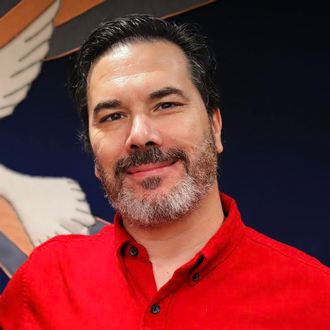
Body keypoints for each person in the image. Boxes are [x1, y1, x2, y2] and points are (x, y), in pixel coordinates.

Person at [0, 14, 329, 330]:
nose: (141, 135)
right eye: (113, 116)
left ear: (215, 127)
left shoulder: (317, 299)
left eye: (166, 105)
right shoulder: (41, 283)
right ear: (92, 151)